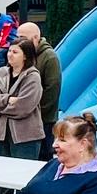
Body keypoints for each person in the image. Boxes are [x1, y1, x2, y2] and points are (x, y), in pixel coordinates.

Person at [0, 39, 46, 194]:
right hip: (1, 134)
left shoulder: (32, 76)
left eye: (15, 52)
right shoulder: (1, 73)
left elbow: (25, 106)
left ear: (26, 56)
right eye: (9, 51)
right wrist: (8, 100)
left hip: (26, 136)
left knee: (24, 180)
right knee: (1, 180)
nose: (10, 55)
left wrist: (0, 106)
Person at [17, 22, 62, 161]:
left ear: (36, 38)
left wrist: (36, 112)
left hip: (43, 119)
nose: (19, 41)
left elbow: (52, 90)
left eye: (23, 38)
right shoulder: (24, 55)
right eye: (18, 37)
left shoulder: (49, 57)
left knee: (42, 157)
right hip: (25, 118)